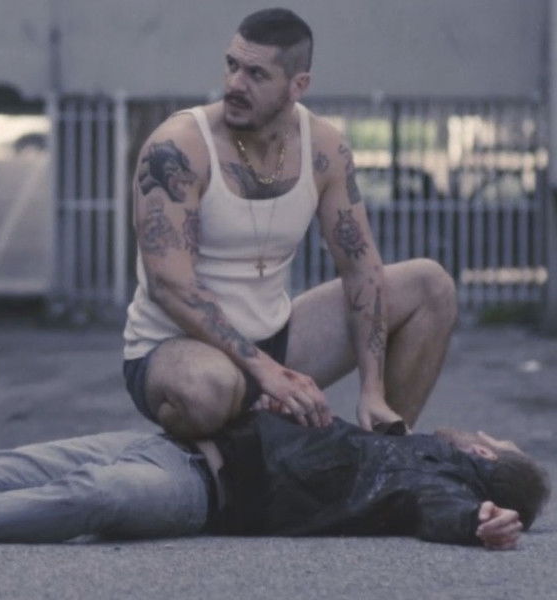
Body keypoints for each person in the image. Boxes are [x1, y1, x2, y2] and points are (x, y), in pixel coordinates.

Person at [123, 8, 458, 440]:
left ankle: (385, 454)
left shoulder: (324, 149)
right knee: (209, 388)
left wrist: (372, 389)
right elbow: (170, 286)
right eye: (232, 65)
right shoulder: (179, 147)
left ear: (298, 85)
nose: (235, 84)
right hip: (176, 350)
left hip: (274, 337)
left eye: (256, 74)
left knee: (431, 285)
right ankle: (233, 434)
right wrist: (267, 373)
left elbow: (361, 269)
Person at [0, 412, 549, 548]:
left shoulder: (431, 476)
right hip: (171, 440)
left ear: (483, 456)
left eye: (496, 440)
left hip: (198, 490)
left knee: (95, 496)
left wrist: (476, 522)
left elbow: (437, 505)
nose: (482, 431)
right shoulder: (407, 446)